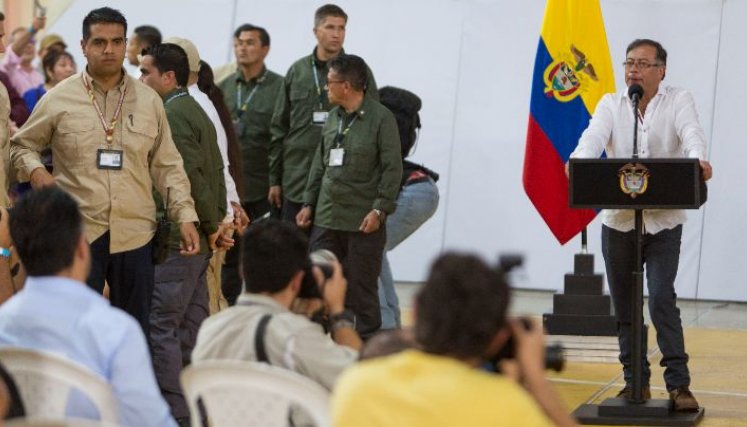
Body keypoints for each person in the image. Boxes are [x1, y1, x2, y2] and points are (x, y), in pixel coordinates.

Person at [10, 7, 200, 334]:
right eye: (99, 42)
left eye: (116, 41)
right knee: (76, 330)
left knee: (133, 331)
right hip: (80, 231)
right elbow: (20, 145)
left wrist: (184, 214)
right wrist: (38, 173)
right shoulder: (59, 98)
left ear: (126, 45)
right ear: (83, 45)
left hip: (136, 233)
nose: (108, 49)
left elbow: (167, 164)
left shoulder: (149, 100)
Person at [568, 38, 713, 411]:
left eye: (643, 63)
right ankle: (636, 383)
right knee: (626, 306)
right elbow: (593, 138)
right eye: (629, 62)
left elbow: (692, 133)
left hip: (663, 222)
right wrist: (578, 162)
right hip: (619, 223)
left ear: (660, 71)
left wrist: (698, 160)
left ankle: (679, 386)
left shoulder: (678, 100)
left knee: (662, 297)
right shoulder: (610, 104)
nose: (633, 69)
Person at [331, 253, 576, 426]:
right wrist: (536, 379)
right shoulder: (506, 404)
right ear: (498, 337)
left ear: (415, 311)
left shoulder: (357, 384)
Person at [0, 187, 176, 427]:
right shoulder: (116, 331)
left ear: (17, 251)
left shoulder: (4, 324)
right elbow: (150, 421)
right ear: (82, 248)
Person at [139, 42, 227, 425]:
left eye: (146, 73)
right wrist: (216, 225)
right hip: (199, 235)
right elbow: (216, 174)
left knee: (162, 328)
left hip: (180, 238)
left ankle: (173, 416)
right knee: (190, 331)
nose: (140, 79)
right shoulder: (194, 107)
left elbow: (189, 178)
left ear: (168, 76)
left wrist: (208, 226)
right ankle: (195, 411)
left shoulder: (173, 114)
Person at [296, 54, 402, 338]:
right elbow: (320, 163)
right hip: (327, 218)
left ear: (347, 86)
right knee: (316, 282)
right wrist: (308, 202)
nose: (325, 88)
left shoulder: (381, 119)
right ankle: (314, 347)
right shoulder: (333, 117)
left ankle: (366, 355)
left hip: (362, 221)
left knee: (362, 292)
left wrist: (380, 210)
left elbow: (392, 169)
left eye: (329, 83)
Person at [193, 219, 361, 389]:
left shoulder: (209, 329)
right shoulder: (295, 336)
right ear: (297, 281)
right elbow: (366, 378)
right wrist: (338, 312)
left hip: (223, 415)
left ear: (242, 271)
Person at [269, 4, 378, 224]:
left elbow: (373, 124)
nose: (336, 34)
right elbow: (279, 127)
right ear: (316, 31)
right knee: (290, 248)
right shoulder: (297, 71)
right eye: (330, 27)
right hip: (297, 177)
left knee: (326, 252)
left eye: (342, 28)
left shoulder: (359, 72)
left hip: (340, 182)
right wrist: (274, 180)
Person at [163, 37, 247, 313]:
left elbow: (213, 165)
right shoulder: (196, 102)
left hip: (206, 218)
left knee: (206, 301)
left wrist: (222, 216)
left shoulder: (188, 106)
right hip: (211, 214)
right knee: (199, 302)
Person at [220, 23, 283, 306]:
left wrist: (277, 180)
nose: (242, 48)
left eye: (249, 42)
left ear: (265, 49)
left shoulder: (280, 88)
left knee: (262, 253)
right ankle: (233, 308)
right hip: (231, 188)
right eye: (239, 43)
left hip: (263, 187)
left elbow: (283, 138)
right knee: (231, 254)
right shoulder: (222, 88)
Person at [376, 86, 439, 329]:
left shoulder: (380, 124)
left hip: (412, 193)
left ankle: (383, 325)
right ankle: (389, 323)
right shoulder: (404, 128)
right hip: (422, 190)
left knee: (362, 253)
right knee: (373, 251)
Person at [1, 17, 45, 96]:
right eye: (24, 42)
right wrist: (32, 30)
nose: (28, 45)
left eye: (31, 41)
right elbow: (12, 53)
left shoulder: (40, 75)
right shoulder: (7, 70)